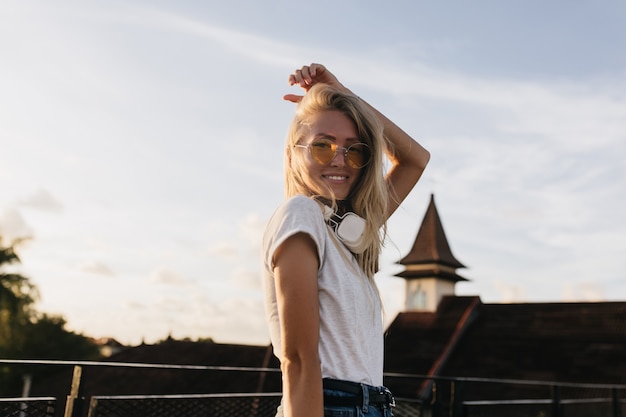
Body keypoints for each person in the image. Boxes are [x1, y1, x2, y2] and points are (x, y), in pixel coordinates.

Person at [262, 63, 430, 417]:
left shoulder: (349, 230)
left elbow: (416, 159)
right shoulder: (301, 215)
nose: (340, 160)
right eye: (322, 146)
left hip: (371, 406)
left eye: (355, 150)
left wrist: (343, 92)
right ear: (293, 154)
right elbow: (299, 361)